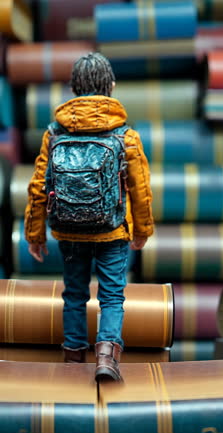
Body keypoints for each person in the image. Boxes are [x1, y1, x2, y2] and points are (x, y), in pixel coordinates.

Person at [24, 52, 154, 382]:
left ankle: (72, 360)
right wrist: (143, 230)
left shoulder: (54, 134)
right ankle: (107, 358)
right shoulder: (125, 136)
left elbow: (39, 185)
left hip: (69, 231)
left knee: (74, 294)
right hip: (112, 232)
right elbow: (140, 188)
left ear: (73, 88)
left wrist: (34, 234)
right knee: (111, 295)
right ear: (110, 87)